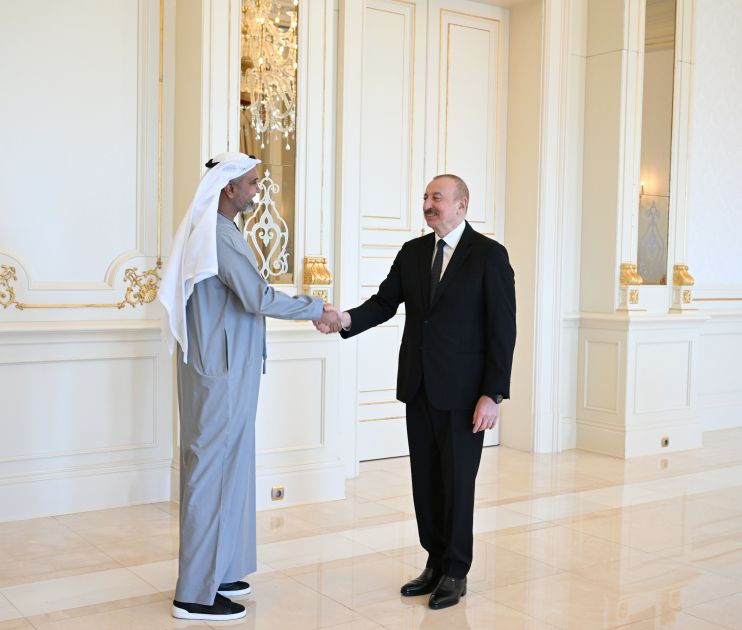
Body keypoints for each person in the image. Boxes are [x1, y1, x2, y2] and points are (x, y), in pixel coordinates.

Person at [317, 174, 516, 610]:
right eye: (426, 197)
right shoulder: (412, 252)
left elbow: (503, 330)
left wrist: (493, 394)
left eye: (437, 197)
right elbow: (383, 303)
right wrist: (344, 320)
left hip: (466, 396)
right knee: (425, 482)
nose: (428, 204)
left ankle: (456, 571)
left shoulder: (489, 255)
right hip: (419, 386)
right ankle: (435, 561)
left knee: (457, 484)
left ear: (462, 205)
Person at [159, 151, 339, 621]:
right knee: (212, 474)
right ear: (229, 188)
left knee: (229, 469)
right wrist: (318, 309)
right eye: (254, 183)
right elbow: (257, 297)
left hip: (226, 369)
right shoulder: (217, 235)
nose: (259, 191)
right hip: (220, 373)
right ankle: (194, 595)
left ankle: (218, 570)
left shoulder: (220, 231)